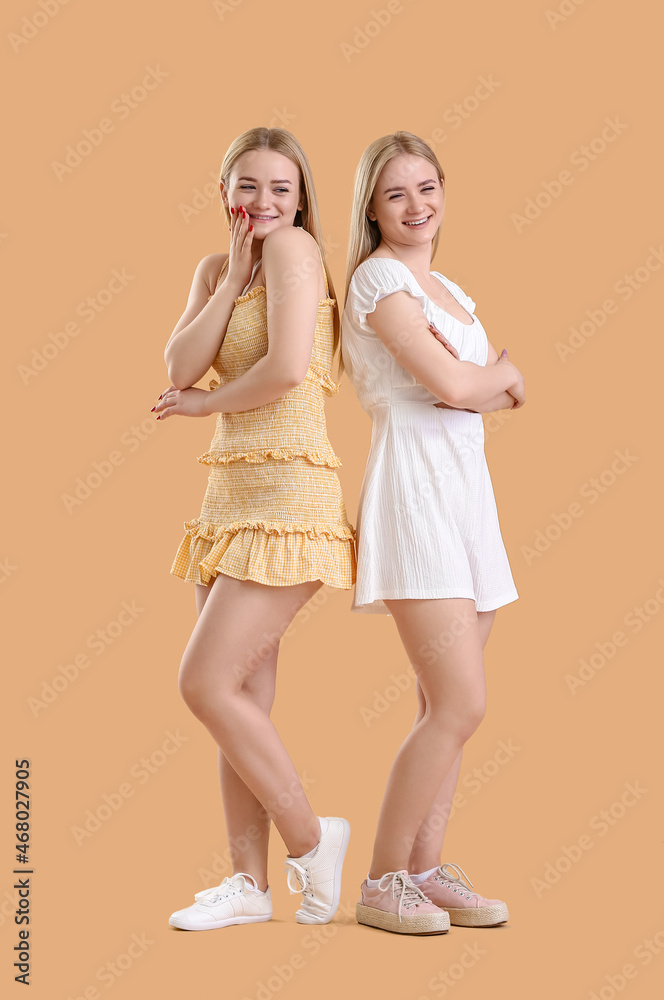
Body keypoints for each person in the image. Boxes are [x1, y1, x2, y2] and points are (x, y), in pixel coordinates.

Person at [152, 127, 355, 931]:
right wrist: (230, 274)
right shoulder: (219, 266)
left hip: (291, 493)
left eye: (279, 188)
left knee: (204, 683)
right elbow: (177, 362)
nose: (262, 203)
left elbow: (284, 366)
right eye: (247, 186)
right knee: (242, 699)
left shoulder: (299, 251)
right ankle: (248, 884)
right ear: (224, 191)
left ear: (300, 195)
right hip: (230, 498)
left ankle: (313, 838)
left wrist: (202, 404)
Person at [341, 131, 525, 935]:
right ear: (373, 209)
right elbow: (458, 382)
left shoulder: (449, 289)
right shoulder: (378, 279)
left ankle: (424, 867)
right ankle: (383, 879)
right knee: (459, 702)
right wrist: (498, 377)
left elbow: (470, 391)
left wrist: (480, 388)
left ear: (444, 188)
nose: (416, 207)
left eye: (426, 188)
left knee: (438, 701)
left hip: (468, 496)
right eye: (395, 195)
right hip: (414, 491)